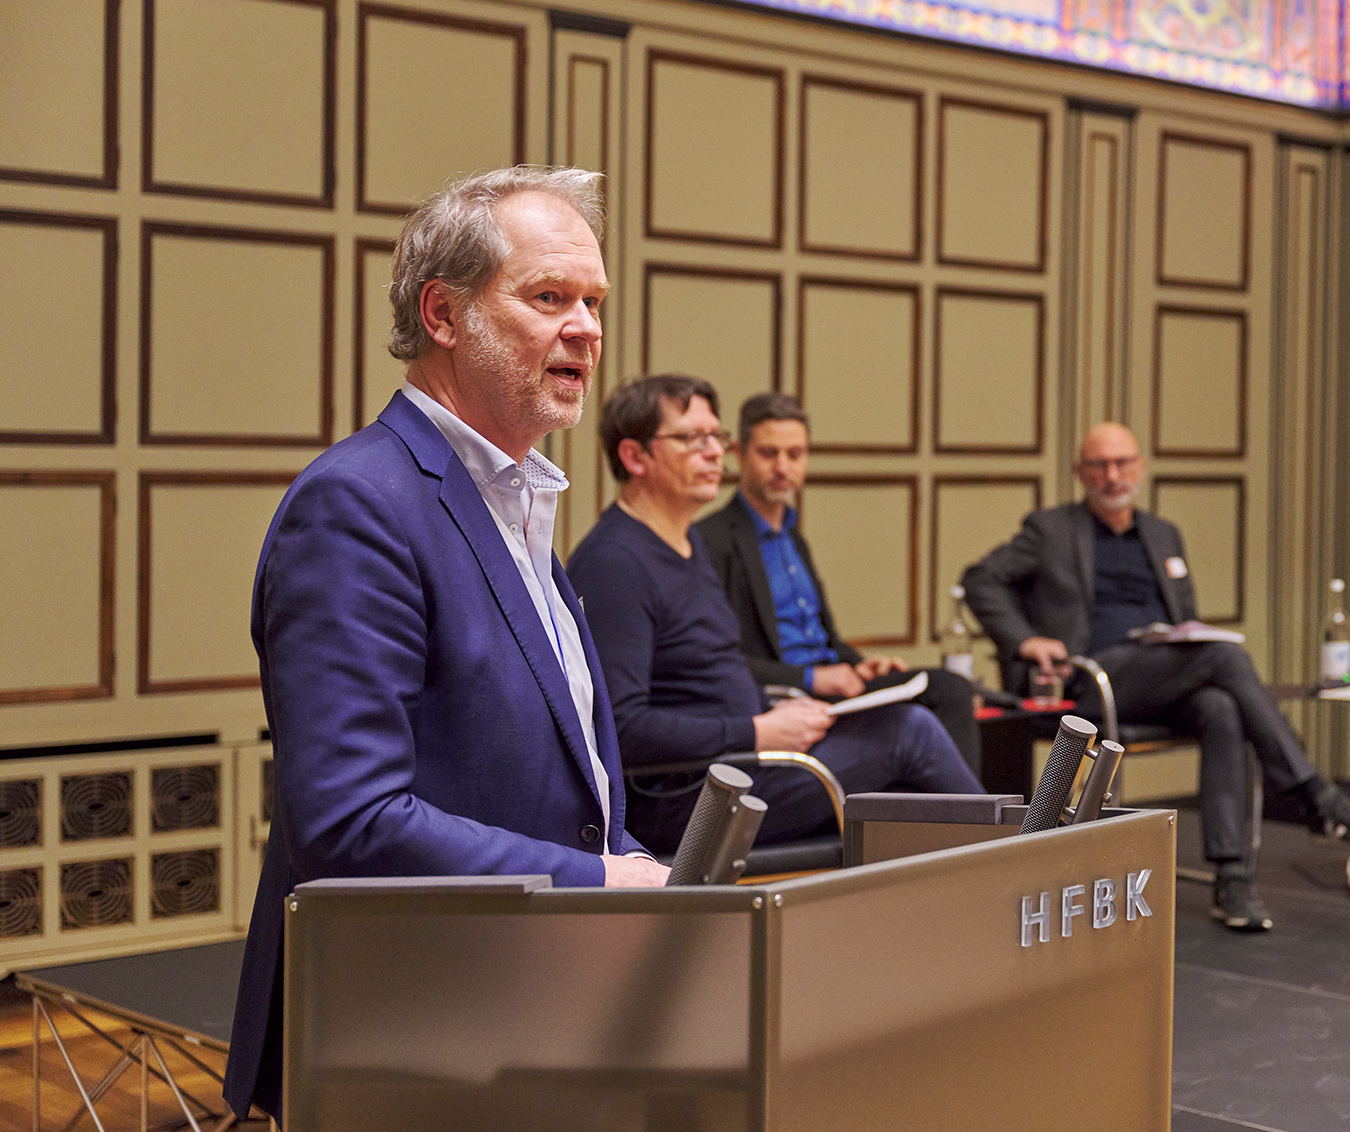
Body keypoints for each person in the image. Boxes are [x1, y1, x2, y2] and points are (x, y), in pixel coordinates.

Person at [223, 167, 668, 1123]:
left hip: (532, 1007)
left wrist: (644, 871)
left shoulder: (517, 501)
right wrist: (597, 877)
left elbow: (557, 769)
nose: (587, 328)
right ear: (443, 313)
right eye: (549, 297)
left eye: (594, 301)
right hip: (404, 1035)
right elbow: (348, 819)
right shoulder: (359, 504)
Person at [961, 422, 1350, 932]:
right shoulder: (1050, 530)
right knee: (1225, 658)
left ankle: (1233, 877)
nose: (1113, 474)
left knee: (1221, 705)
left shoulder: (1164, 535)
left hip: (1158, 674)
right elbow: (980, 579)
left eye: (1123, 462)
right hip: (1092, 680)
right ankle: (1315, 796)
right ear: (1080, 473)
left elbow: (1184, 618)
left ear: (1141, 467)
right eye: (1100, 465)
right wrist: (1025, 640)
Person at [566, 375, 983, 854]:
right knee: (910, 734)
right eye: (690, 439)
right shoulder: (615, 562)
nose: (712, 452)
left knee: (910, 776)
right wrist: (759, 730)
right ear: (635, 457)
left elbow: (706, 678)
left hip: (739, 764)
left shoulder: (685, 542)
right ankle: (1015, 867)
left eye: (715, 437)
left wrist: (776, 706)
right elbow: (620, 729)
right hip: (687, 799)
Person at [696, 391, 982, 772]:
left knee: (950, 689)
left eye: (795, 454)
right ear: (739, 453)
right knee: (945, 695)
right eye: (769, 453)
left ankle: (962, 823)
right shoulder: (710, 540)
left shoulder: (794, 538)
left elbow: (826, 640)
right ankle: (976, 829)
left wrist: (861, 666)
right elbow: (721, 659)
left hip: (834, 688)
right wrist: (815, 677)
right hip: (786, 698)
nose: (783, 466)